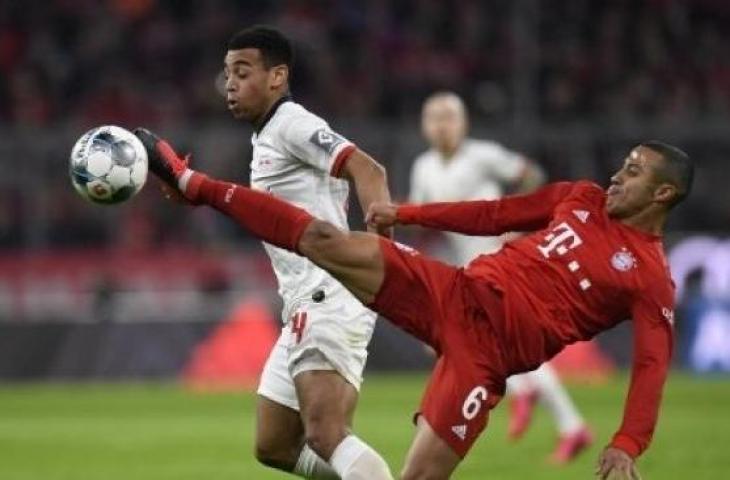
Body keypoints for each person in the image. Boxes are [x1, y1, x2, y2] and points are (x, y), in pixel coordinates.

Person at [135, 111, 691, 479]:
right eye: (623, 165)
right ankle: (193, 183)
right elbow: (495, 214)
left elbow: (649, 365)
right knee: (325, 240)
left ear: (662, 193)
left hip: (486, 360)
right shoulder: (582, 197)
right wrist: (407, 212)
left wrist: (627, 442)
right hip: (453, 291)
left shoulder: (649, 277)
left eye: (635, 172)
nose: (618, 176)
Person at [166, 26, 395, 480]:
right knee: (273, 444)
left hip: (330, 292)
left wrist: (382, 263)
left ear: (277, 76)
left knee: (326, 434)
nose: (229, 82)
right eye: (226, 72)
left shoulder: (293, 123)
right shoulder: (266, 135)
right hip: (302, 301)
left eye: (242, 71)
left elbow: (368, 170)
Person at [410, 91, 592, 462]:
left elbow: (532, 175)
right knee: (502, 347)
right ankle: (563, 420)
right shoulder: (423, 166)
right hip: (468, 271)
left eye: (450, 117)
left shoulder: (483, 155)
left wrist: (519, 223)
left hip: (503, 266)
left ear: (464, 123)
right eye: (435, 118)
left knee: (494, 344)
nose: (443, 125)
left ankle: (533, 398)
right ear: (424, 126)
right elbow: (422, 218)